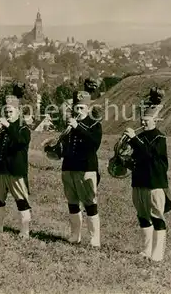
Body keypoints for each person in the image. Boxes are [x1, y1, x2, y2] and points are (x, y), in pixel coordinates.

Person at [123, 88, 171, 261]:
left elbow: (148, 155)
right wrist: (123, 159)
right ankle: (146, 250)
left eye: (147, 120)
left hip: (155, 184)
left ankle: (157, 253)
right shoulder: (141, 137)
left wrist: (134, 140)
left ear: (155, 120)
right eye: (142, 120)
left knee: (157, 217)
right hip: (138, 182)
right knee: (143, 216)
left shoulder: (159, 137)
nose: (143, 124)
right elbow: (137, 158)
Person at [0, 84, 31, 238]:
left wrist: (8, 126)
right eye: (5, 111)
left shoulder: (22, 127)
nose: (7, 114)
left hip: (15, 171)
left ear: (18, 112)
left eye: (10, 111)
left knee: (21, 200)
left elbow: (20, 142)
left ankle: (25, 231)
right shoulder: (0, 129)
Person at [60, 89, 103, 247]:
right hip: (69, 167)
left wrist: (77, 126)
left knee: (90, 203)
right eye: (76, 108)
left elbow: (94, 144)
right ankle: (75, 235)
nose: (78, 111)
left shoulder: (94, 124)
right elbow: (65, 144)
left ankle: (94, 238)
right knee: (72, 202)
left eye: (81, 108)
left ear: (88, 108)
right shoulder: (69, 124)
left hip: (86, 168)